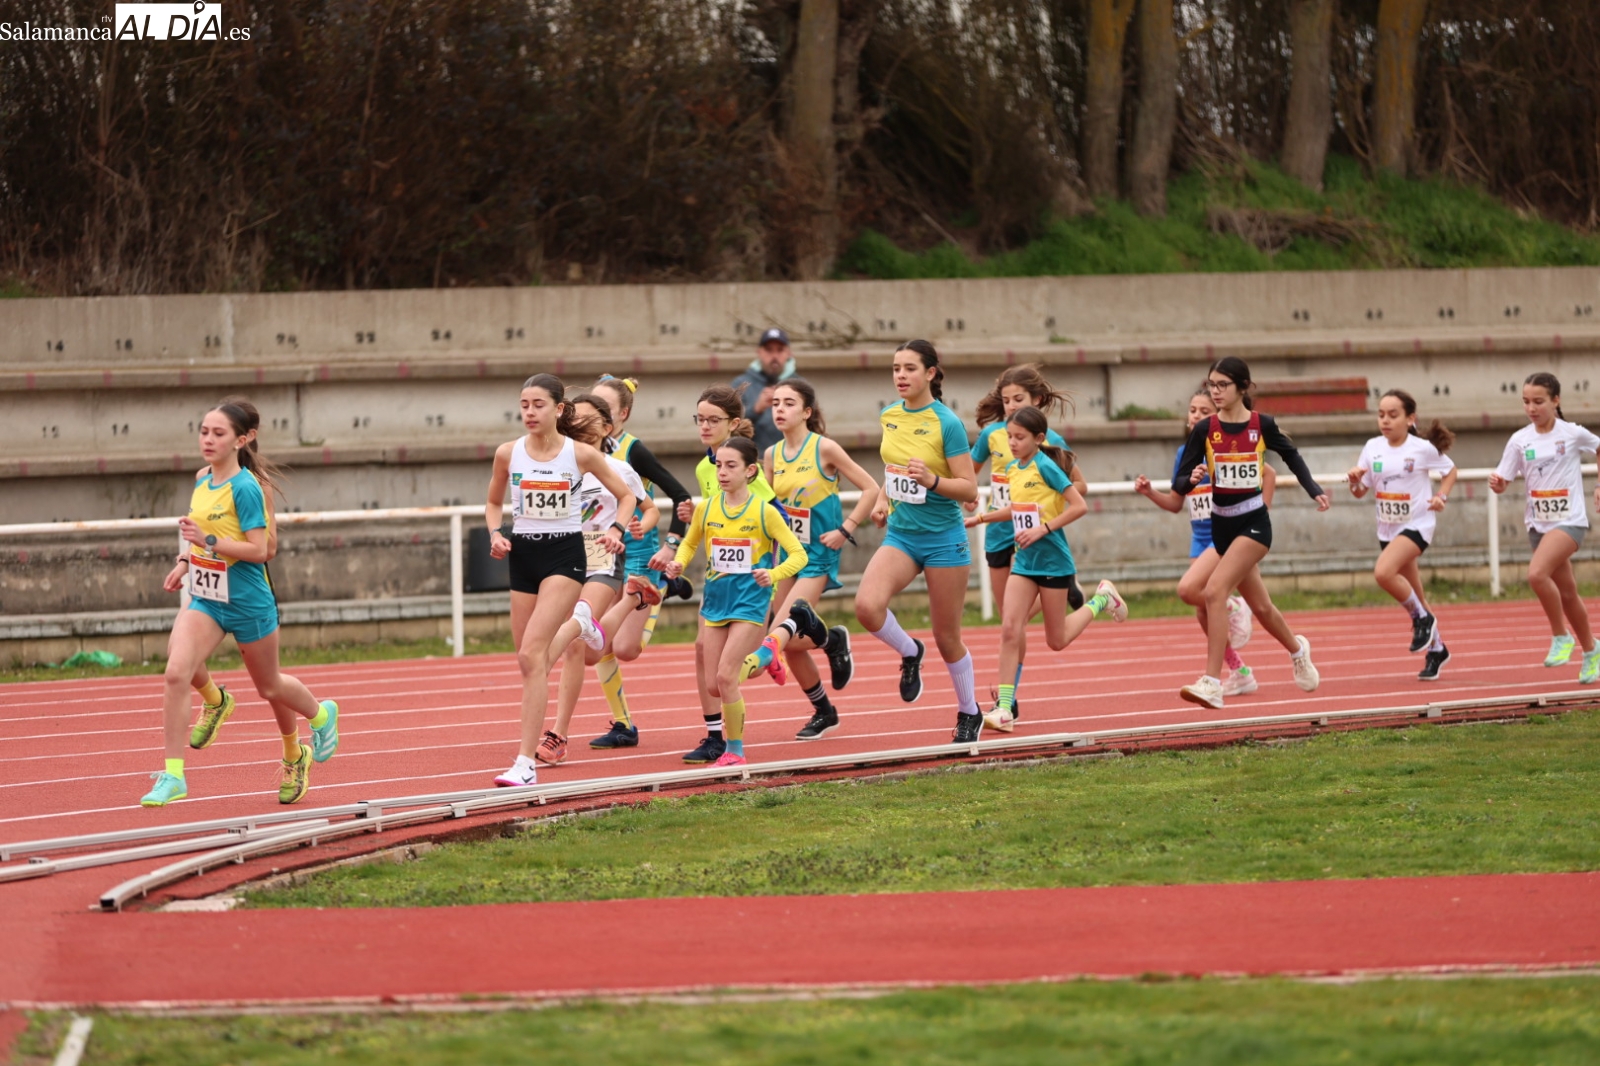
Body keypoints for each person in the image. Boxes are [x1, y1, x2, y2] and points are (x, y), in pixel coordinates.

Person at [141, 398, 338, 808]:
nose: (207, 439)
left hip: (247, 599)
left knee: (270, 687)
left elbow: (263, 550)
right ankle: (175, 771)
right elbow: (201, 531)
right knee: (177, 670)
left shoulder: (250, 487)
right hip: (208, 597)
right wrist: (184, 561)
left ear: (242, 439)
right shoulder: (202, 479)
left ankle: (317, 720)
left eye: (218, 433)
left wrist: (209, 541)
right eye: (204, 431)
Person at [486, 374, 637, 787]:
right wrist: (495, 533)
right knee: (528, 661)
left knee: (533, 653)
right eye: (524, 405)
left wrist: (617, 529)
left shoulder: (580, 454)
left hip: (564, 556)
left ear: (558, 409)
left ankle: (525, 763)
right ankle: (582, 626)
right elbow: (493, 502)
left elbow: (626, 496)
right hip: (523, 556)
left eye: (538, 404)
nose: (529, 412)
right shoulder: (508, 453)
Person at [1170, 357, 1331, 709]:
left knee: (1214, 591)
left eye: (1222, 385)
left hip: (1254, 525)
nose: (1215, 391)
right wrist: (1190, 479)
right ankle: (1297, 650)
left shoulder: (1262, 425)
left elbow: (1291, 456)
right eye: (1211, 384)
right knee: (1262, 607)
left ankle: (1212, 682)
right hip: (1222, 529)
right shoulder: (1205, 429)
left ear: (1243, 387)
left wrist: (1313, 489)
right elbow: (1178, 484)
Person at [856, 340, 987, 743]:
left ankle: (970, 711)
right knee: (867, 607)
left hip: (944, 539)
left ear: (930, 373)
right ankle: (910, 650)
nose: (900, 375)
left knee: (947, 637)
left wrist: (932, 480)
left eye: (909, 368)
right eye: (896, 368)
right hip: (902, 535)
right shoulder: (889, 415)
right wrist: (882, 498)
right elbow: (892, 468)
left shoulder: (947, 423)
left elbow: (969, 488)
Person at [965, 406, 1127, 731]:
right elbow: (1016, 509)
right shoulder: (1013, 468)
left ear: (1039, 438)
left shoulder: (1047, 467)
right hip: (1024, 562)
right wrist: (981, 518)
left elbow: (1079, 505)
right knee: (1010, 628)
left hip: (1053, 562)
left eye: (1019, 437)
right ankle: (1005, 709)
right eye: (1009, 436)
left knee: (1057, 640)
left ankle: (1102, 599)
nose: (1012, 443)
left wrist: (1044, 528)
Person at [737, 377, 880, 740]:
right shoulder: (771, 455)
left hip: (818, 555)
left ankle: (831, 644)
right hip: (788, 555)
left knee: (780, 633)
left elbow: (871, 488)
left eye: (788, 403)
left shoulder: (824, 448)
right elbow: (769, 509)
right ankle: (824, 703)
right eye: (775, 403)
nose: (779, 409)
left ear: (806, 412)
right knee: (787, 637)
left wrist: (846, 529)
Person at [663, 436, 809, 765]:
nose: (722, 472)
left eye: (731, 466)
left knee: (727, 677)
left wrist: (773, 574)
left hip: (751, 602)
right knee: (716, 685)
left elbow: (799, 555)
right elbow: (690, 543)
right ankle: (766, 654)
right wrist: (679, 563)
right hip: (716, 602)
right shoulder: (707, 508)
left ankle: (735, 751)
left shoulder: (765, 512)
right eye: (719, 466)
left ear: (750, 471)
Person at [535, 392, 657, 764]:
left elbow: (648, 508)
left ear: (607, 427)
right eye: (574, 419)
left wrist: (633, 527)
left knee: (574, 639)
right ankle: (634, 599)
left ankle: (558, 735)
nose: (579, 425)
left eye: (588, 419)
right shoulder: (558, 467)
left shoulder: (619, 470)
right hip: (566, 561)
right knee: (589, 654)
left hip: (604, 559)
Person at [1134, 383, 1274, 698]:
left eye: (1204, 411)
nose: (1196, 416)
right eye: (1193, 410)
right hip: (1200, 540)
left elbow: (1269, 474)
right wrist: (1150, 492)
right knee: (1204, 610)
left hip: (1229, 534)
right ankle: (1240, 671)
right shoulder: (1184, 453)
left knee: (1192, 591)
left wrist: (1260, 512)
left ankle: (1235, 606)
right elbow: (1175, 503)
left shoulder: (1226, 446)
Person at [580, 374, 695, 751]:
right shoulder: (574, 450)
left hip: (637, 553)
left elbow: (680, 496)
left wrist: (671, 545)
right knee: (595, 644)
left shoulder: (632, 451)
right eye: (590, 406)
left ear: (621, 415)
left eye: (604, 409)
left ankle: (659, 584)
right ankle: (623, 725)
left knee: (626, 648)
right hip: (599, 554)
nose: (593, 415)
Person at [969, 363, 1083, 717]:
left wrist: (1046, 510)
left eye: (1018, 399)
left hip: (1041, 542)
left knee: (1033, 629)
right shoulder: (995, 439)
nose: (1011, 406)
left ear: (1036, 400)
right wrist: (974, 506)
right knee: (1010, 624)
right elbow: (970, 476)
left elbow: (1079, 492)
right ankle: (1007, 704)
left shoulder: (1049, 450)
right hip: (1005, 537)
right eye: (1006, 400)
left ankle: (1083, 597)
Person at [1488, 372, 1600, 684]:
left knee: (1537, 575)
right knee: (1568, 593)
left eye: (1538, 401)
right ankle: (1592, 650)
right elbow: (1504, 479)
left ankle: (1561, 635)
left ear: (1555, 401)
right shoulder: (1519, 440)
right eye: (1526, 401)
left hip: (1570, 521)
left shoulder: (1572, 433)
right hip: (1538, 524)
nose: (1531, 408)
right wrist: (1498, 484)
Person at [1346, 390, 1458, 681]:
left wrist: (1441, 496)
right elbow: (1360, 492)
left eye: (1393, 415)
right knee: (1416, 595)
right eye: (1381, 414)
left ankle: (1422, 618)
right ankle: (1437, 648)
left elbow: (1450, 471)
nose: (1385, 420)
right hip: (1387, 528)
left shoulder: (1422, 449)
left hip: (1417, 525)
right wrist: (1355, 482)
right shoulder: (1372, 447)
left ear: (1410, 419)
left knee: (1383, 573)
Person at [729, 327, 796, 452]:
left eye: (780, 350)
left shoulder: (799, 385)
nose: (774, 356)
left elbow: (811, 426)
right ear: (759, 352)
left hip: (792, 459)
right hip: (753, 460)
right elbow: (728, 427)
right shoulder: (741, 384)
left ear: (788, 353)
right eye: (769, 350)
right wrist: (756, 409)